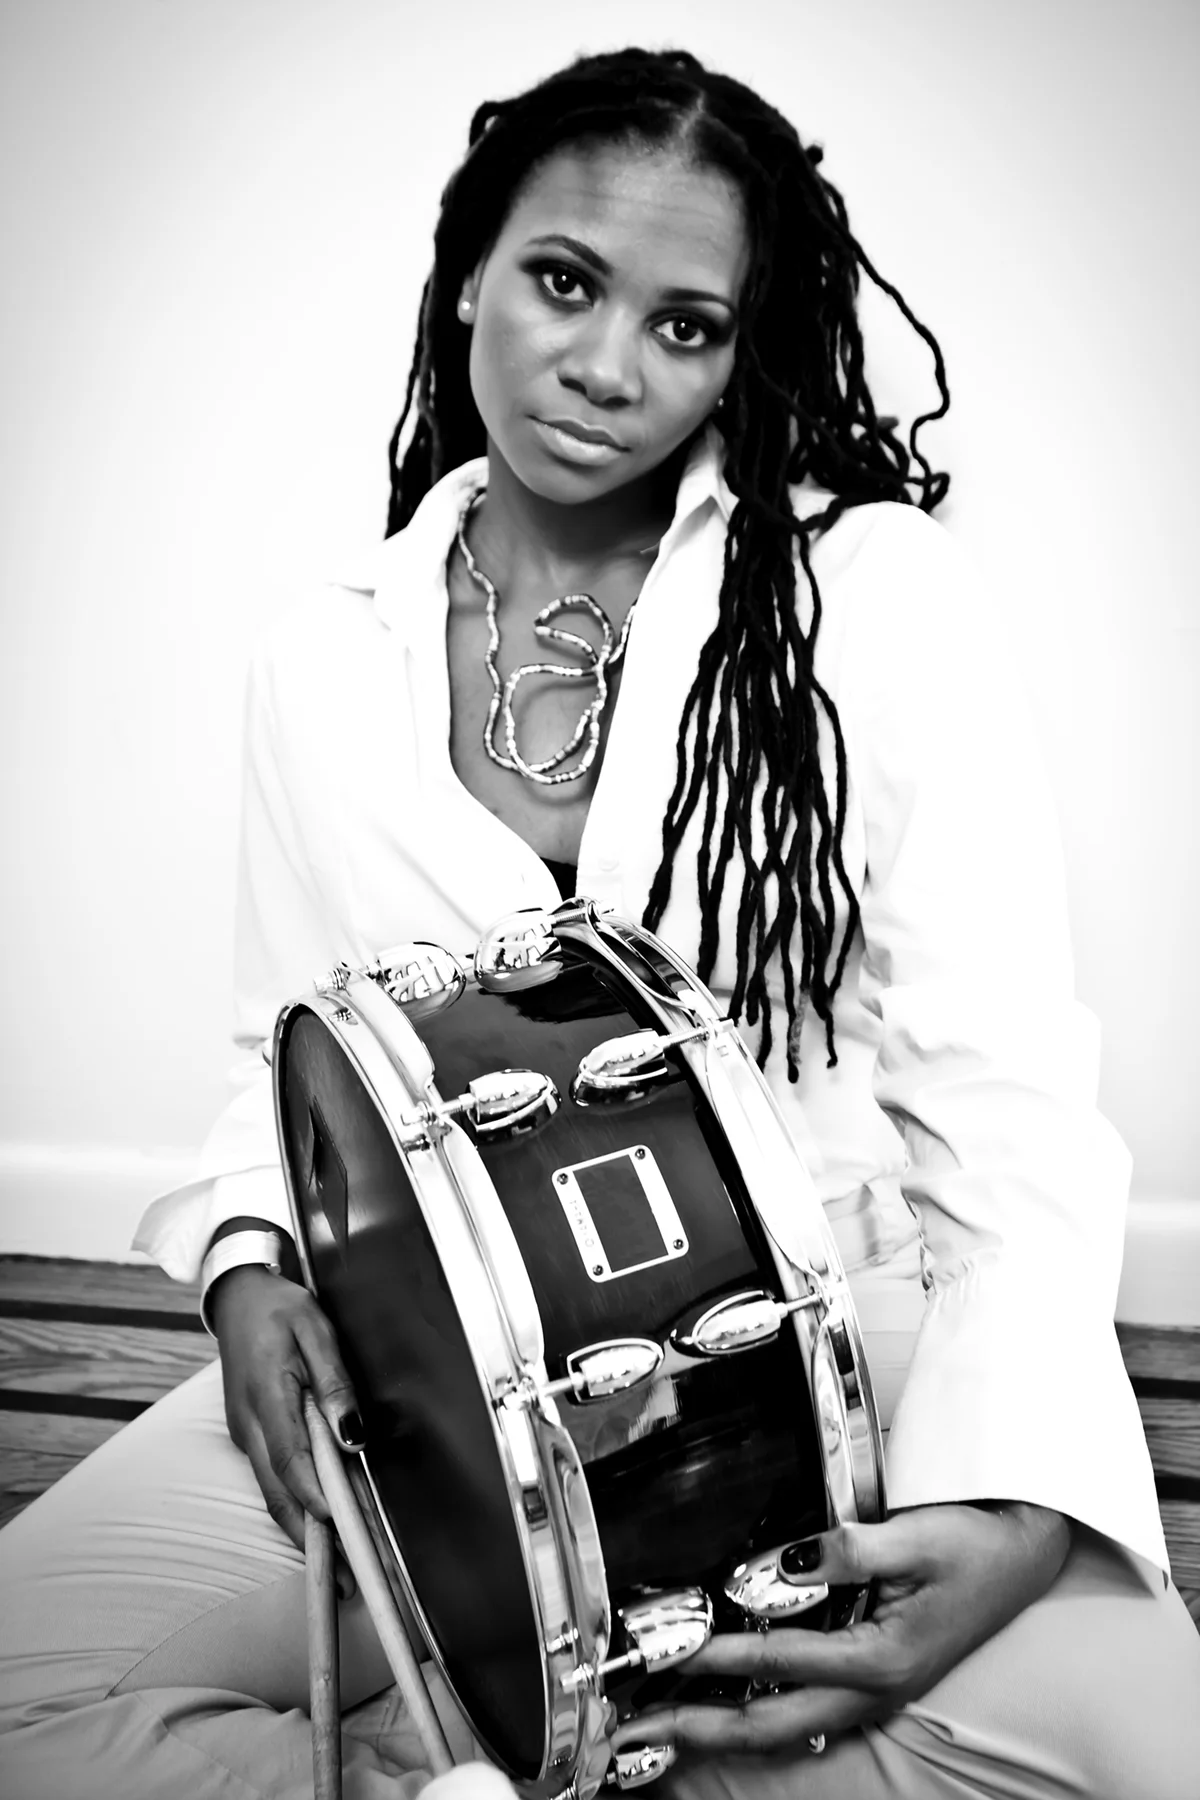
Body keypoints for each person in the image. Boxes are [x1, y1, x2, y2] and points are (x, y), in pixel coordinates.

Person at [1, 43, 1197, 1800]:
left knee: (1159, 1757)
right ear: (467, 271)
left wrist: (1016, 1509)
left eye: (685, 325)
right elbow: (288, 1041)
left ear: (738, 353)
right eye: (564, 282)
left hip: (832, 1314)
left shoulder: (866, 598)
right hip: (436, 1360)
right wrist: (250, 1265)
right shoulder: (322, 661)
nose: (609, 367)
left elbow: (1000, 1086)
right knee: (21, 1698)